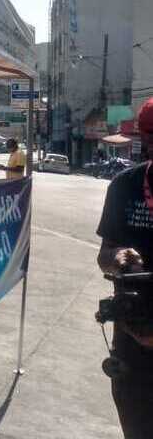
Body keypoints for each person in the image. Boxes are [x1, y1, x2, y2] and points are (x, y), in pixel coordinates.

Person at [96, 97, 153, 439]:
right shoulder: (125, 186)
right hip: (134, 328)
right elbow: (105, 253)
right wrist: (117, 258)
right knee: (137, 420)